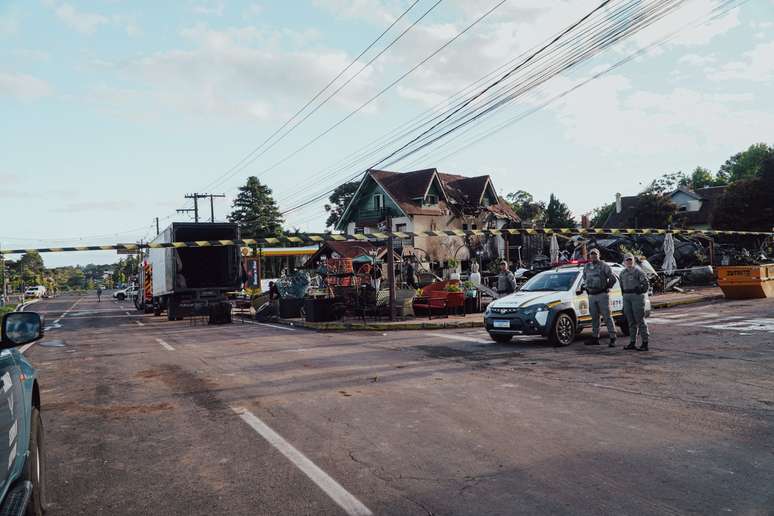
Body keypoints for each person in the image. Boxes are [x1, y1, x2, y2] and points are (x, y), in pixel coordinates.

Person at [582, 248, 617, 346]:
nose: (593, 256)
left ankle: (612, 337)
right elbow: (584, 279)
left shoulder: (604, 266)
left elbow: (613, 278)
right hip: (592, 295)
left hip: (602, 294)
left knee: (607, 317)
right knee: (594, 318)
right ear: (589, 256)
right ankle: (595, 337)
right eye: (591, 254)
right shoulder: (586, 266)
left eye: (595, 254)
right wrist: (587, 289)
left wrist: (608, 288)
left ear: (599, 255)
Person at [620, 253, 650, 351]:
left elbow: (646, 284)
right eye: (627, 260)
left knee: (640, 320)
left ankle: (645, 342)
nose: (629, 262)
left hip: (637, 296)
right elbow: (621, 286)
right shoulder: (623, 273)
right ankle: (632, 342)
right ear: (624, 261)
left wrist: (641, 290)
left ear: (633, 260)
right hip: (627, 296)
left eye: (630, 260)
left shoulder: (638, 271)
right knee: (630, 321)